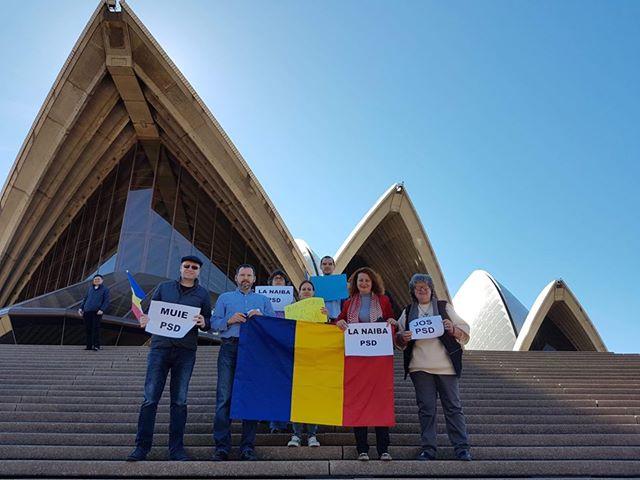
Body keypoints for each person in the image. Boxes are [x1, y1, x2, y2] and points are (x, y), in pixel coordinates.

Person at [127, 255, 212, 462]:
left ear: (199, 271)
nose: (190, 269)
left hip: (186, 350)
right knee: (150, 399)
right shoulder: (164, 288)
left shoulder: (203, 294)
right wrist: (145, 318)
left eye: (194, 267)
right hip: (160, 348)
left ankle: (176, 449)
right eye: (187, 266)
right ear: (180, 268)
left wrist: (203, 321)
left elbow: (208, 321)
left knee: (180, 401)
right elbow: (150, 313)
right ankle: (141, 447)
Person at [395, 273, 472, 461]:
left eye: (425, 287)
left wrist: (452, 328)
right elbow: (398, 337)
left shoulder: (444, 307)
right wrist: (401, 337)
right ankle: (429, 449)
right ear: (413, 291)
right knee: (426, 409)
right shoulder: (408, 311)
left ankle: (461, 448)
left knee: (453, 407)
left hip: (446, 366)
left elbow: (466, 330)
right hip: (419, 366)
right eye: (417, 287)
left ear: (431, 290)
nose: (422, 290)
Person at [211, 264, 275, 461]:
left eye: (249, 275)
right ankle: (222, 447)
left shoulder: (263, 301)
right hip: (229, 347)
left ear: (255, 279)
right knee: (224, 398)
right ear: (236, 278)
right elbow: (212, 324)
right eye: (242, 275)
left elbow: (274, 327)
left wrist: (262, 318)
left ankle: (247, 447)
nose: (245, 278)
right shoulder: (224, 298)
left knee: (251, 397)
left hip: (254, 352)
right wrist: (228, 320)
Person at [334, 267, 396, 462]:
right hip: (357, 359)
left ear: (373, 283)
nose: (363, 283)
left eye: (367, 281)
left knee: (379, 401)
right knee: (359, 402)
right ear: (355, 283)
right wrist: (340, 323)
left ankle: (383, 449)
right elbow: (340, 319)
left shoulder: (384, 301)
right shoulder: (349, 302)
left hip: (378, 360)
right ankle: (362, 449)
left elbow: (390, 319)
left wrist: (392, 322)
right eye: (360, 280)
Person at [286, 280, 327, 448]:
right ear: (299, 293)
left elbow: (326, 334)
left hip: (314, 358)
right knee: (297, 397)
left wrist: (327, 317)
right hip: (297, 357)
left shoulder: (320, 310)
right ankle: (296, 434)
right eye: (303, 289)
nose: (307, 291)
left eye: (309, 289)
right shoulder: (292, 310)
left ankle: (312, 434)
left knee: (312, 397)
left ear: (314, 292)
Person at [78, 274, 110, 351]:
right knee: (88, 329)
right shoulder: (90, 289)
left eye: (98, 279)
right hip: (87, 311)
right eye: (95, 279)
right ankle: (88, 346)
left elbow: (106, 301)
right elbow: (85, 299)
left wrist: (102, 309)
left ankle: (96, 346)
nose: (96, 280)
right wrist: (80, 308)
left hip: (97, 312)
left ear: (102, 281)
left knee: (95, 328)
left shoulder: (105, 289)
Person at [319, 256, 342, 321]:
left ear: (334, 266)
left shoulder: (340, 283)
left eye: (330, 264)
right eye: (324, 264)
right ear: (320, 266)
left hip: (336, 319)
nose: (327, 266)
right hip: (320, 319)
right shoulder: (314, 284)